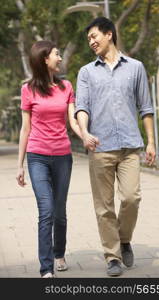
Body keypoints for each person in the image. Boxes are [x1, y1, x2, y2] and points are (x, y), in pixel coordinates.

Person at [75, 17, 156, 277]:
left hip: (130, 146)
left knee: (132, 198)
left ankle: (124, 239)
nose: (91, 42)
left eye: (94, 36)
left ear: (109, 34)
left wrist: (151, 142)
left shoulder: (136, 68)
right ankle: (112, 256)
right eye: (88, 39)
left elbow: (146, 108)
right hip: (100, 147)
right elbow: (82, 107)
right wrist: (85, 132)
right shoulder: (86, 72)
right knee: (104, 206)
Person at [16, 40, 82, 278]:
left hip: (63, 156)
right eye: (57, 54)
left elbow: (73, 120)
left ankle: (59, 252)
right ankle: (46, 268)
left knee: (59, 211)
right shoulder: (28, 89)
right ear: (44, 59)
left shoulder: (66, 86)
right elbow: (26, 129)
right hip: (37, 158)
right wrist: (20, 165)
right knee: (46, 210)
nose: (60, 58)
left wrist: (85, 135)